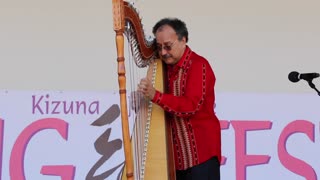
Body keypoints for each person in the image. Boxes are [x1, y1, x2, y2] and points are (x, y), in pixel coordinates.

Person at [137, 17, 221, 180]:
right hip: (174, 161)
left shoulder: (199, 65)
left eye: (168, 46)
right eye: (159, 47)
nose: (163, 53)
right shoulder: (164, 68)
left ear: (184, 40)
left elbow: (191, 106)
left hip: (200, 158)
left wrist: (155, 95)